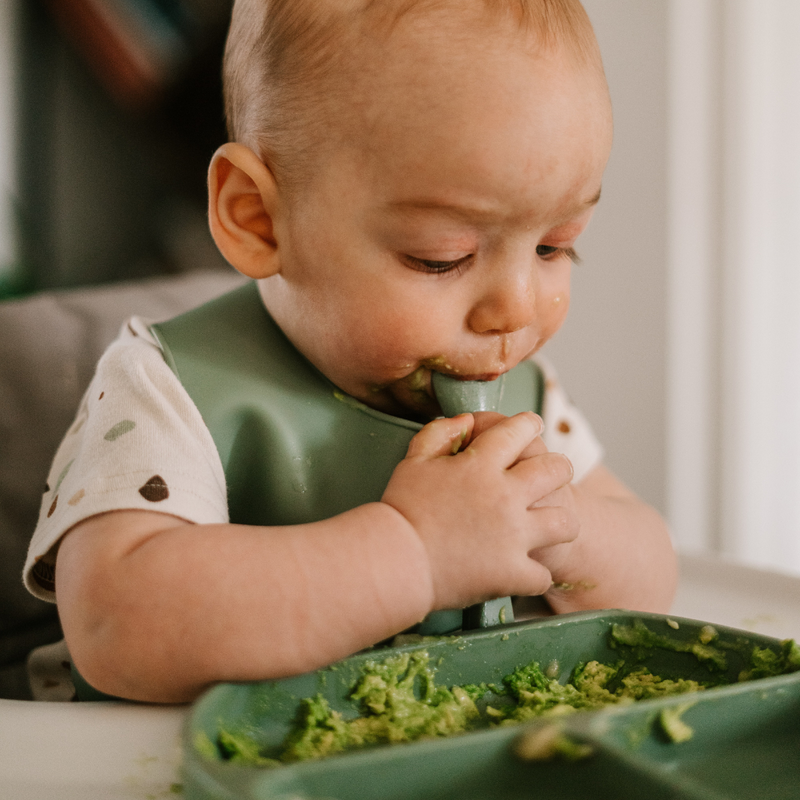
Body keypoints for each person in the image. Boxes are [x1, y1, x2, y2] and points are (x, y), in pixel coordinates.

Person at [23, 0, 677, 703]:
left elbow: (653, 581)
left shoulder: (524, 393)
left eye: (555, 245)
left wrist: (558, 530)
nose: (515, 309)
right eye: (441, 257)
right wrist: (414, 553)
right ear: (258, 218)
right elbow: (119, 624)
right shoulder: (168, 389)